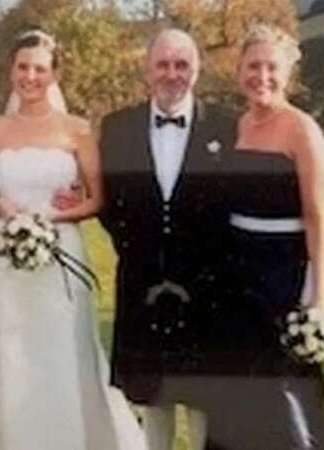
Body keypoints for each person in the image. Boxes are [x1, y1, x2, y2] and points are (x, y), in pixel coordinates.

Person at [0, 29, 147, 450]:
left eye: (40, 69)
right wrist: (2, 209)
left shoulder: (78, 130)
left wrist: (55, 215)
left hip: (61, 253)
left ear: (54, 74)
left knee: (63, 351)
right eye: (23, 67)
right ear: (11, 70)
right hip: (7, 256)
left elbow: (97, 199)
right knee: (8, 350)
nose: (30, 77)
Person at [98, 29, 238, 450]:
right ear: (147, 70)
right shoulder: (117, 127)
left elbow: (237, 203)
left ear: (198, 70)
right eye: (163, 64)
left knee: (203, 401)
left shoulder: (228, 127)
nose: (172, 74)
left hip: (207, 287)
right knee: (151, 398)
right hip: (142, 281)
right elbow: (108, 202)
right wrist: (138, 248)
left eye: (182, 65)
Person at [203, 23, 324, 449]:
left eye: (271, 67)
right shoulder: (237, 125)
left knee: (282, 388)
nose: (262, 76)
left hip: (281, 274)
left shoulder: (303, 132)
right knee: (234, 391)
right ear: (239, 70)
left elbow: (317, 222)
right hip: (235, 275)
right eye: (253, 66)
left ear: (288, 73)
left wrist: (317, 302)